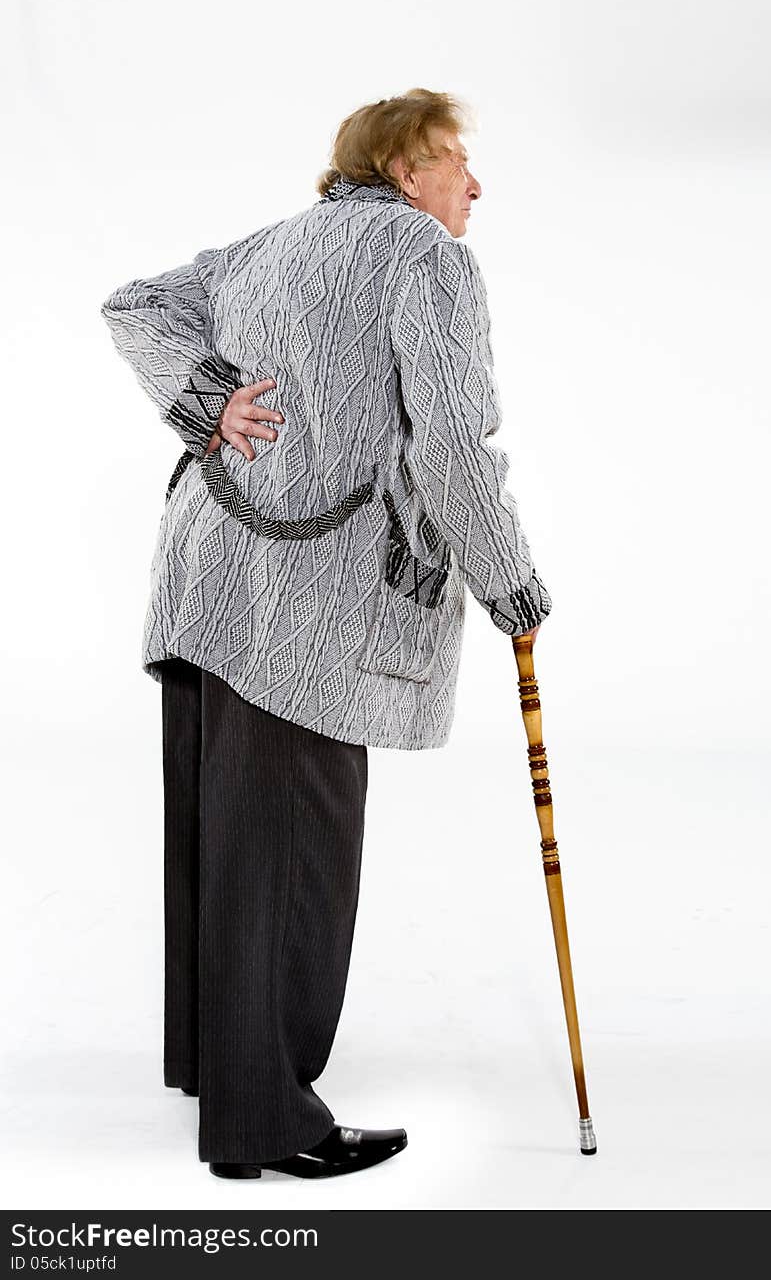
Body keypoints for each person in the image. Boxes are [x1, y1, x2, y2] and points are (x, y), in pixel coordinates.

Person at [100, 88, 552, 1181]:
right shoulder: (422, 256)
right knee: (291, 855)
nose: (475, 187)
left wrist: (209, 401)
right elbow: (451, 443)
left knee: (225, 843)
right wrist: (510, 581)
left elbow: (134, 304)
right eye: (459, 165)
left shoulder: (274, 244)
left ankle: (223, 1075)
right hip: (303, 608)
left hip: (205, 575)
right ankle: (267, 1123)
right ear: (406, 170)